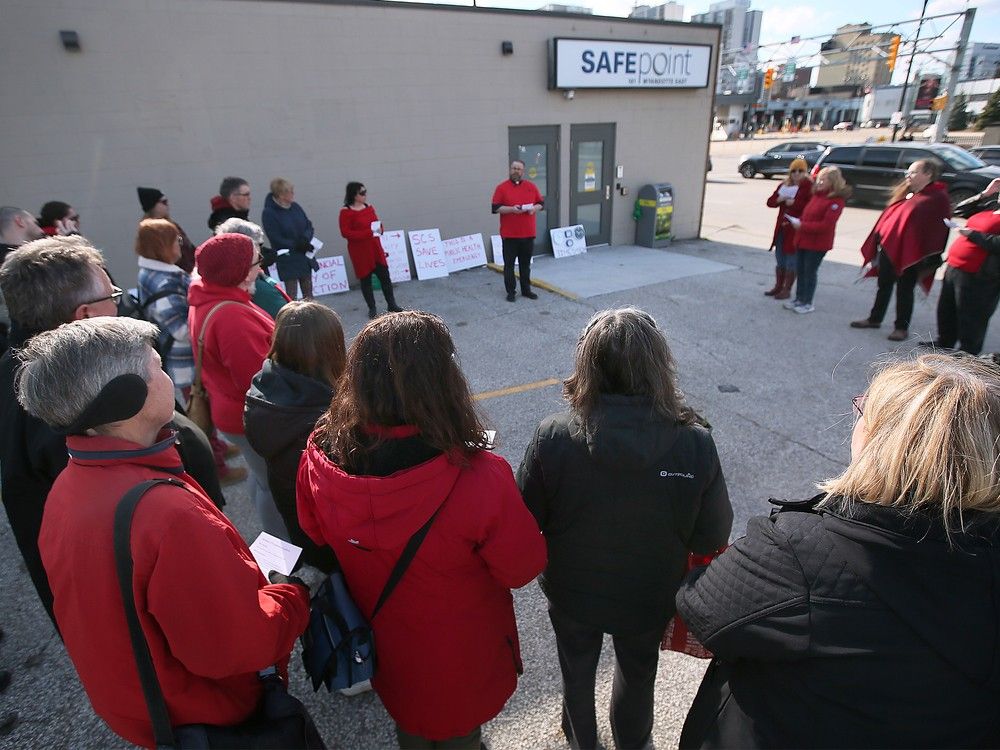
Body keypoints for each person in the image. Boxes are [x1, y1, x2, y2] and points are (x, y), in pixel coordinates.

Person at [676, 353, 1000, 748]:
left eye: (864, 409)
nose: (856, 416)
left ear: (882, 442)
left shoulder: (801, 554)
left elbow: (701, 605)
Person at [16, 317, 311, 749]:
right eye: (156, 365)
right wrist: (291, 594)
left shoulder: (71, 482)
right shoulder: (164, 514)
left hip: (147, 710)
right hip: (209, 716)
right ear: (127, 395)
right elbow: (239, 648)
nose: (167, 373)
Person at [297, 311, 546, 749]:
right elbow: (522, 567)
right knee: (461, 736)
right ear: (444, 382)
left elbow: (314, 532)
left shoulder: (320, 453)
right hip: (460, 651)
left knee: (408, 723)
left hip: (383, 639)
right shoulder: (478, 476)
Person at [517, 308, 733, 750]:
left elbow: (525, 521)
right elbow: (711, 536)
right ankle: (634, 743)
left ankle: (582, 743)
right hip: (649, 594)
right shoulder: (693, 441)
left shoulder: (553, 437)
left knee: (576, 671)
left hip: (572, 591)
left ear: (586, 364)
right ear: (659, 366)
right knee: (637, 673)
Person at [0, 235, 224, 626]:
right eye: (112, 293)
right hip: (147, 612)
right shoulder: (73, 408)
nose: (119, 303)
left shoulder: (20, 368)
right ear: (85, 315)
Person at [188, 232, 288, 538]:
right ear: (238, 271)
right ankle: (285, 553)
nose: (261, 269)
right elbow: (260, 381)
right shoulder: (231, 315)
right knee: (274, 485)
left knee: (261, 479)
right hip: (250, 417)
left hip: (233, 412)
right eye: (257, 263)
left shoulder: (214, 299)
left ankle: (277, 543)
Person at [245, 301, 345, 574]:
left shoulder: (261, 388)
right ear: (329, 349)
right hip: (328, 530)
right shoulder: (325, 415)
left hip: (291, 508)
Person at [851, 159, 952, 341]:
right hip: (890, 250)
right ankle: (875, 318)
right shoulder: (912, 194)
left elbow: (936, 231)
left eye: (913, 172)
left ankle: (901, 327)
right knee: (884, 286)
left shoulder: (937, 198)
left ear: (927, 174)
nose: (908, 176)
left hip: (911, 255)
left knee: (904, 290)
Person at [924, 177, 1000, 354]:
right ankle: (945, 341)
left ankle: (968, 353)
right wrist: (984, 194)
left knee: (972, 316)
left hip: (981, 274)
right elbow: (960, 209)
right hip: (956, 267)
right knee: (947, 308)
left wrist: (972, 234)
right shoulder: (990, 206)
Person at [135, 219, 194, 401]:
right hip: (186, 368)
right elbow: (182, 330)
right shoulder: (165, 281)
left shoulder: (147, 272)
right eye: (177, 239)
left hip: (176, 361)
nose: (180, 244)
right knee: (199, 417)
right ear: (164, 245)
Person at [782, 165, 851, 314]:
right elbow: (807, 216)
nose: (819, 182)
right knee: (800, 270)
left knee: (809, 272)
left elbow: (826, 225)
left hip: (817, 244)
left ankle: (807, 302)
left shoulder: (836, 201)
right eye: (819, 179)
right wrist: (797, 221)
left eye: (823, 180)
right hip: (802, 240)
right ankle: (799, 299)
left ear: (833, 182)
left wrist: (802, 225)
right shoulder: (816, 196)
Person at [339, 182, 402, 319]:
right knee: (366, 281)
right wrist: (368, 232)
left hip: (375, 248)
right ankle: (372, 308)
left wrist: (380, 229)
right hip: (360, 251)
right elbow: (346, 233)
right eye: (362, 193)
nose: (365, 195)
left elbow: (377, 223)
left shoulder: (369, 207)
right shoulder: (346, 212)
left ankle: (391, 304)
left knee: (385, 277)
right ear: (354, 195)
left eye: (365, 192)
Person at [215, 217, 292, 319]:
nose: (260, 250)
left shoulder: (220, 281)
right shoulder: (253, 287)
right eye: (259, 244)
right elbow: (288, 321)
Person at [491, 160, 543, 302]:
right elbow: (495, 208)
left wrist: (534, 208)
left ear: (523, 172)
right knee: (509, 266)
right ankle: (511, 292)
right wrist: (512, 209)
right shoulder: (501, 188)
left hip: (528, 234)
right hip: (510, 235)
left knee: (525, 265)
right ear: (510, 170)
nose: (516, 171)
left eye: (519, 169)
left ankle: (526, 290)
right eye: (514, 168)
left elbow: (541, 203)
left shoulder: (531, 187)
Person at [763, 158, 812, 299]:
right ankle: (778, 286)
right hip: (782, 228)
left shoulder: (809, 186)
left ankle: (787, 289)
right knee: (780, 259)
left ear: (805, 172)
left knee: (792, 260)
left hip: (795, 230)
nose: (797, 174)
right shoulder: (785, 184)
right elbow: (770, 202)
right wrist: (779, 199)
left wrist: (794, 203)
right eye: (794, 171)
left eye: (800, 171)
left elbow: (810, 208)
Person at [262, 178, 317, 300]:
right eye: (290, 192)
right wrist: (296, 244)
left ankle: (312, 317)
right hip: (288, 259)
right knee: (291, 295)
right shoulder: (269, 213)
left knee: (308, 293)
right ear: (281, 195)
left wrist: (305, 239)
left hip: (304, 255)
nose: (293, 194)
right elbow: (275, 237)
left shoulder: (295, 207)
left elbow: (308, 225)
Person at [0, 206, 45, 354]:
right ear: (19, 221)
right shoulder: (31, 263)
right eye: (35, 222)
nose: (40, 228)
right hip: (35, 351)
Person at [137, 186, 196, 272]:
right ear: (153, 205)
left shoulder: (172, 226)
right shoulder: (149, 232)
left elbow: (186, 246)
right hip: (173, 272)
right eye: (164, 202)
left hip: (188, 270)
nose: (168, 205)